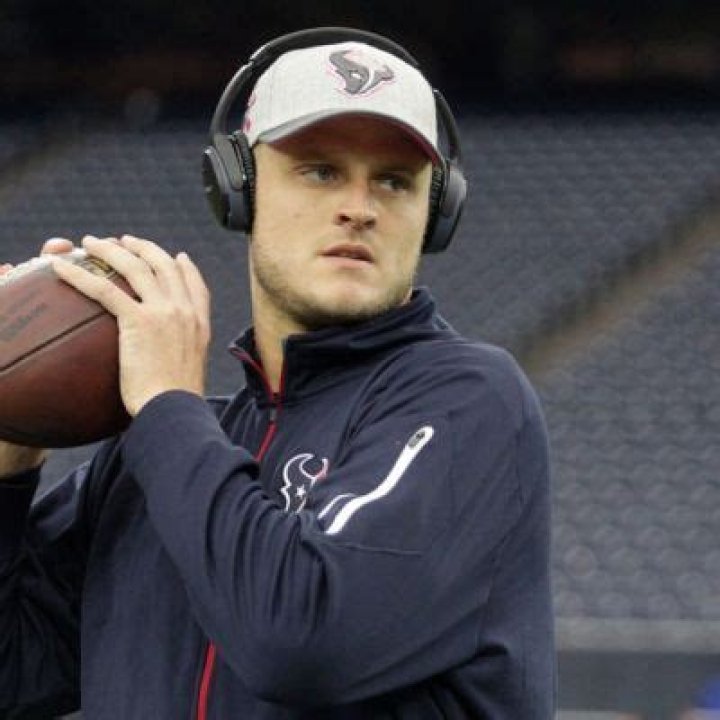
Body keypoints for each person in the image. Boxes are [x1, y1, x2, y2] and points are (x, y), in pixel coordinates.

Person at [0, 28, 555, 719]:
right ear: (238, 187)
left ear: (435, 215)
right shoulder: (154, 460)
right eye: (320, 171)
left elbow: (303, 643)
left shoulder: (469, 401)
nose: (360, 207)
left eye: (394, 181)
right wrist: (12, 444)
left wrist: (166, 404)